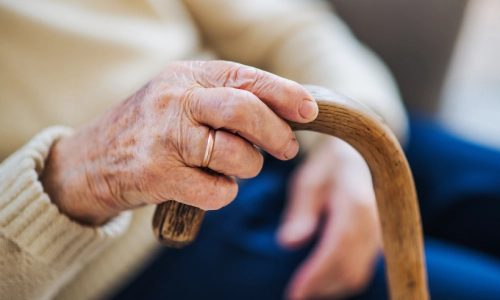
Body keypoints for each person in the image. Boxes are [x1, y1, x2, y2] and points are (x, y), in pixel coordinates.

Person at [0, 0, 409, 299]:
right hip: (128, 255)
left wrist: (347, 149)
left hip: (320, 119)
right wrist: (88, 174)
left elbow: (285, 24)